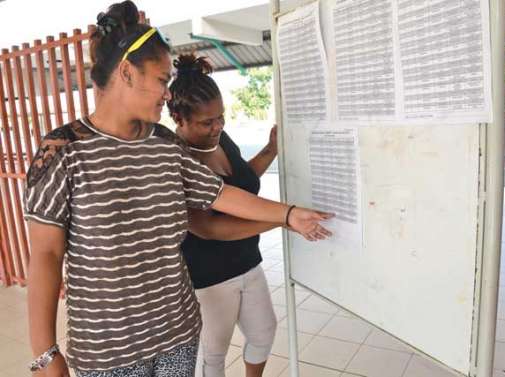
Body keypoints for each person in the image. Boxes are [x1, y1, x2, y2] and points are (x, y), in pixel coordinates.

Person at [24, 2, 332, 377]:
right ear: (126, 73)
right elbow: (45, 254)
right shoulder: (62, 151)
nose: (168, 94)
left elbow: (219, 194)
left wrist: (288, 214)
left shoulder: (165, 145)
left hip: (178, 333)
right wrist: (45, 353)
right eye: (161, 80)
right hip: (110, 354)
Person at [167, 54, 283, 377]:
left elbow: (243, 183)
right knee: (214, 355)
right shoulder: (176, 159)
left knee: (263, 333)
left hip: (248, 259)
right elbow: (210, 228)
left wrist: (270, 149)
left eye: (221, 117)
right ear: (179, 118)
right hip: (209, 275)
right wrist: (281, 218)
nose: (218, 126)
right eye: (207, 122)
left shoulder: (220, 138)